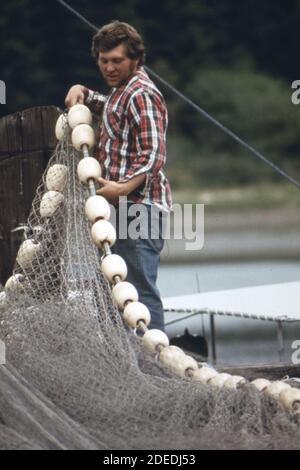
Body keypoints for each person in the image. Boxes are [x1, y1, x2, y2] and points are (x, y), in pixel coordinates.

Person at [65, 21, 172, 331]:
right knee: (118, 289)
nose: (109, 67)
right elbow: (111, 110)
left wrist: (123, 188)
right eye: (103, 60)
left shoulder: (141, 93)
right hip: (118, 203)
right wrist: (83, 90)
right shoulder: (121, 91)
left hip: (139, 206)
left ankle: (154, 369)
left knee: (138, 291)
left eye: (117, 61)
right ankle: (135, 363)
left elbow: (153, 154)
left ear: (135, 59)